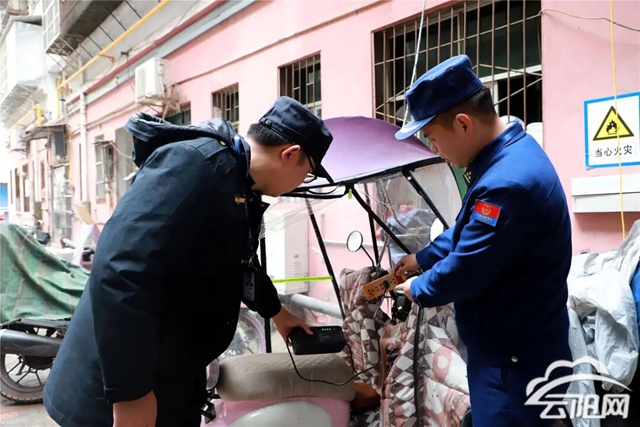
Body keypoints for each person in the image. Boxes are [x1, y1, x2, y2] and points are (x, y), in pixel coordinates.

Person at [43, 96, 333, 427]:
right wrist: (131, 394)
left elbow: (238, 263)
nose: (301, 183)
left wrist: (277, 312)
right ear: (290, 154)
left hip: (173, 371)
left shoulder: (238, 183)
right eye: (307, 173)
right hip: (119, 387)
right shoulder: (194, 164)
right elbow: (120, 272)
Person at [393, 55, 573, 427]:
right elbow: (469, 230)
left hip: (513, 367)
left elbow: (466, 271)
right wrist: (423, 258)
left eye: (433, 138)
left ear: (463, 124)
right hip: (516, 352)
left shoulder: (506, 183)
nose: (434, 149)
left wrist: (417, 288)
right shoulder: (509, 156)